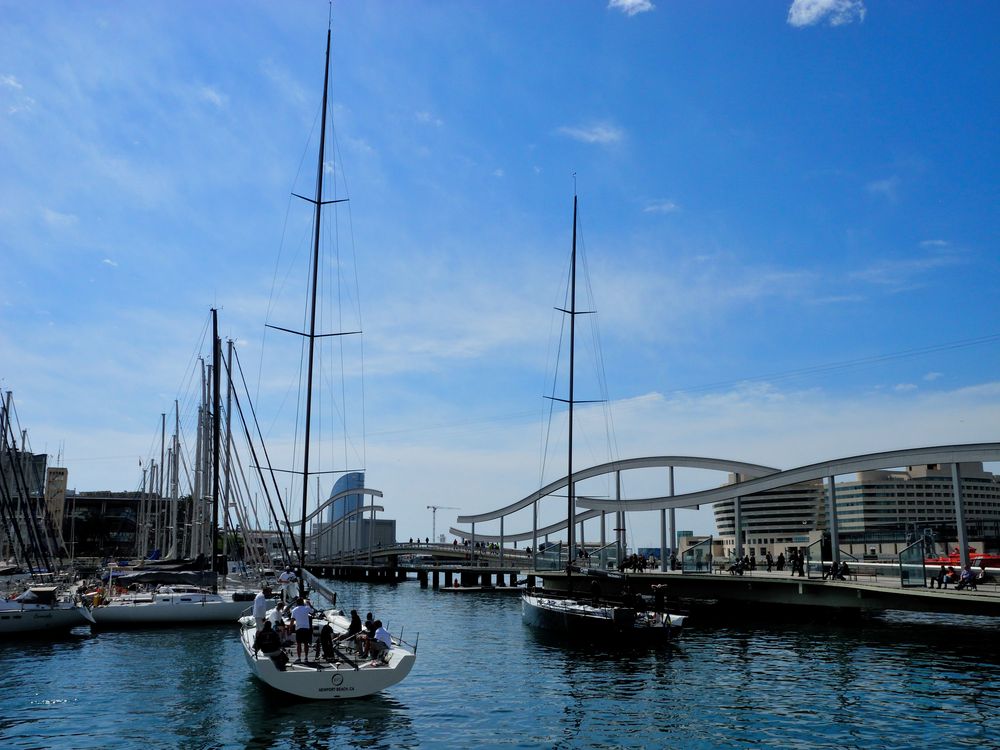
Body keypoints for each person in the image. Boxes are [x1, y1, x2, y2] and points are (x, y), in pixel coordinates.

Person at [290, 597, 315, 662]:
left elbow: (292, 621)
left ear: (297, 603)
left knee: (299, 644)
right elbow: (313, 612)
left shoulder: (294, 610)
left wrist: (290, 629)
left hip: (299, 628)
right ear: (302, 602)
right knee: (306, 643)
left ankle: (299, 658)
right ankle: (306, 658)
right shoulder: (307, 608)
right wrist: (309, 604)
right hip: (306, 628)